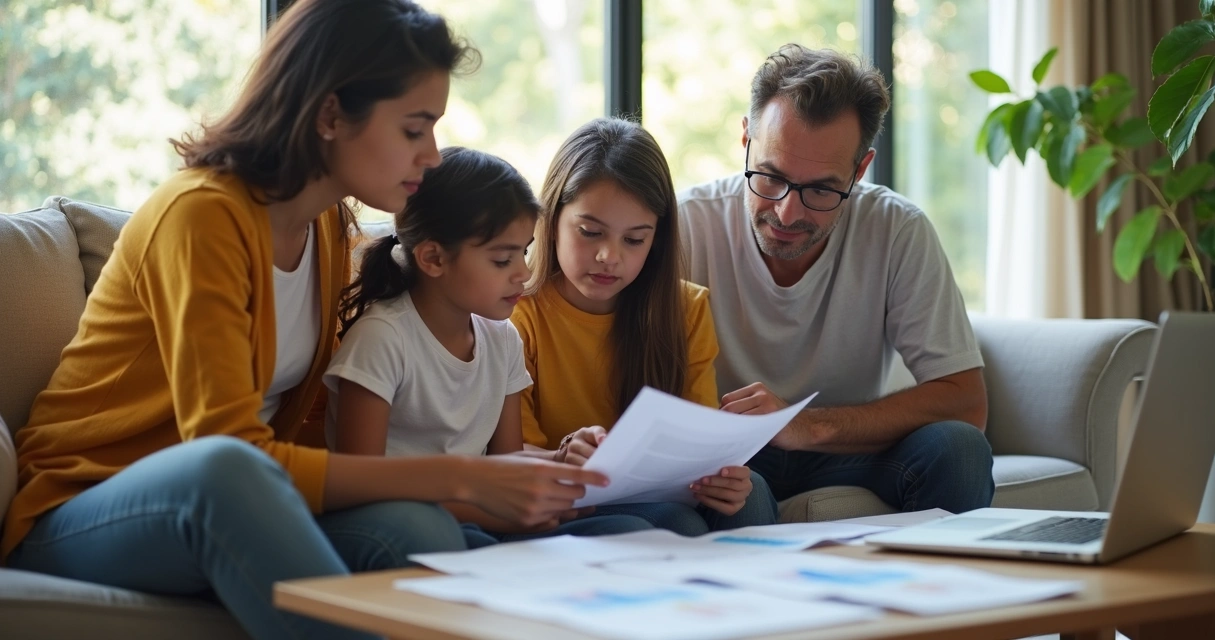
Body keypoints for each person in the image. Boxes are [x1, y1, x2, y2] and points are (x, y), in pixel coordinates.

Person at [1, 2, 607, 639]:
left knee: (417, 525)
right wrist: (465, 475)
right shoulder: (202, 217)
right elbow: (230, 452)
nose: (432, 155)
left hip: (247, 502)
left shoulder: (325, 226)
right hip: (84, 509)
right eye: (413, 129)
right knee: (225, 471)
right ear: (330, 115)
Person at [678, 44, 994, 515]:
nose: (787, 211)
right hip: (732, 456)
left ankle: (935, 591)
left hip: (846, 450)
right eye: (769, 177)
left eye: (821, 189)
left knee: (961, 450)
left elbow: (967, 403)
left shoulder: (897, 229)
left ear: (859, 170)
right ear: (745, 141)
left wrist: (807, 425)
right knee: (738, 499)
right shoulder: (685, 226)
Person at [325, 146, 652, 547]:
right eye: (502, 260)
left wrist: (564, 462)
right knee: (457, 541)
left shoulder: (500, 338)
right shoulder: (383, 339)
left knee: (631, 532)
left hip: (481, 519)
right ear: (433, 258)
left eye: (525, 252)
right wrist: (502, 510)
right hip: (404, 522)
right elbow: (361, 487)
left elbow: (504, 463)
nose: (525, 273)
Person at [511, 117, 779, 535]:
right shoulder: (518, 314)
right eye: (590, 232)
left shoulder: (685, 309)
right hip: (563, 495)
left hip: (659, 491)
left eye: (634, 240)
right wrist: (564, 456)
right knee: (677, 523)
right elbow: (509, 452)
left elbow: (696, 448)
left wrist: (721, 475)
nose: (608, 256)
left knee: (752, 491)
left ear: (656, 238)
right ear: (551, 219)